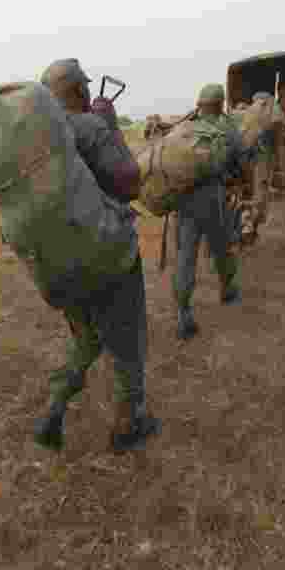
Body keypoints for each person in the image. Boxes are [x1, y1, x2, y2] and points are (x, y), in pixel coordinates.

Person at [34, 59, 161, 453]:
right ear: (78, 91)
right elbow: (129, 184)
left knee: (87, 339)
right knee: (128, 342)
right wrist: (109, 126)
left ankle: (54, 406)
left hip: (58, 264)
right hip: (108, 258)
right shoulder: (88, 126)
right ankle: (130, 423)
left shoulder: (39, 139)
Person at [169, 83, 244, 340]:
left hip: (184, 202)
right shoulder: (227, 128)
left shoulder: (184, 128)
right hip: (214, 199)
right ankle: (226, 288)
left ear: (200, 103)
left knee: (185, 256)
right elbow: (241, 160)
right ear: (221, 104)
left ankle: (182, 312)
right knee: (222, 247)